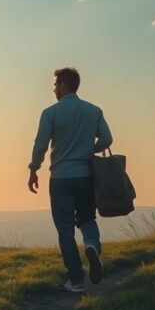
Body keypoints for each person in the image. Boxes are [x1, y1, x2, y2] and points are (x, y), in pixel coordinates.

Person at [27, 67, 112, 293]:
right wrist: (91, 149)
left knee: (65, 229)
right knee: (87, 219)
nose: (54, 89)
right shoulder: (94, 111)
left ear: (63, 85)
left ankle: (75, 281)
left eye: (55, 85)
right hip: (86, 176)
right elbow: (107, 138)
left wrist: (33, 169)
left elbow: (40, 145)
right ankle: (91, 245)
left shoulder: (50, 113)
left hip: (60, 178)